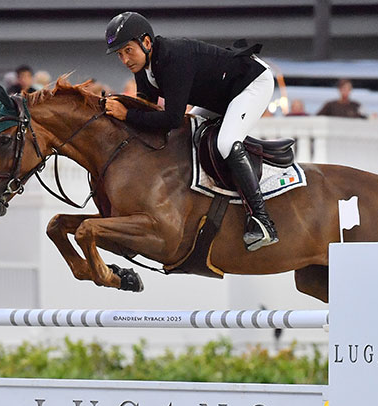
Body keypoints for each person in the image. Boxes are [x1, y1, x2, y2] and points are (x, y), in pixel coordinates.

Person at [103, 11, 278, 251]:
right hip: (221, 95)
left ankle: (262, 220)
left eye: (128, 51)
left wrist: (127, 114)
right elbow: (148, 110)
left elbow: (172, 118)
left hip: (251, 83)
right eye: (120, 54)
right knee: (190, 132)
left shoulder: (173, 57)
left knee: (225, 143)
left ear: (146, 42)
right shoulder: (144, 68)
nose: (125, 60)